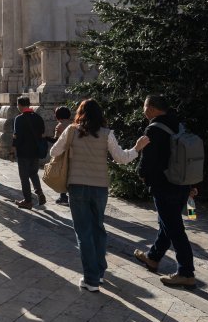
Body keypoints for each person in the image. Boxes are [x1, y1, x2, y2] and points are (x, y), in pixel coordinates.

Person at [50, 99, 149, 291]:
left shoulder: (71, 130)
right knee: (98, 229)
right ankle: (100, 273)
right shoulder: (107, 134)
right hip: (100, 188)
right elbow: (121, 158)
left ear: (80, 113)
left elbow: (54, 152)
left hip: (77, 186)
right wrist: (137, 148)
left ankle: (91, 279)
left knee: (83, 233)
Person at [134, 95, 197, 288]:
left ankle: (186, 272)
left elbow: (148, 159)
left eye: (145, 107)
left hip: (164, 184)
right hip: (182, 183)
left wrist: (141, 174)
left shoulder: (154, 129)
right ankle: (153, 257)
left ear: (152, 108)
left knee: (175, 229)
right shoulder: (179, 125)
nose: (143, 111)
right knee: (167, 223)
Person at [12, 96, 47, 209]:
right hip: (35, 151)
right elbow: (42, 132)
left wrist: (13, 149)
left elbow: (17, 137)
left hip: (23, 152)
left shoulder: (19, 118)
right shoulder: (38, 117)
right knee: (33, 173)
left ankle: (27, 201)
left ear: (20, 105)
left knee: (24, 177)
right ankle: (39, 192)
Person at [53, 106, 72, 206]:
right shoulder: (74, 124)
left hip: (63, 153)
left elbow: (56, 141)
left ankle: (63, 197)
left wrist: (44, 138)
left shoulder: (59, 126)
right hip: (73, 152)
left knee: (62, 174)